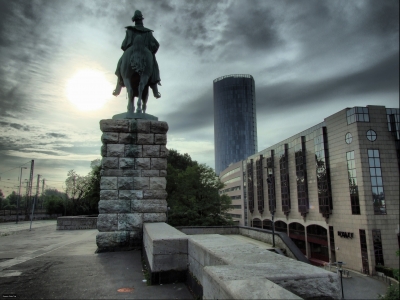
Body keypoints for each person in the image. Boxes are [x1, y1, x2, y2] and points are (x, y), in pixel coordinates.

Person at [113, 10, 161, 98]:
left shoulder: (129, 30)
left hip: (131, 51)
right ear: (141, 20)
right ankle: (155, 90)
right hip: (146, 50)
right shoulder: (148, 32)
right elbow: (156, 45)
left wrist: (129, 49)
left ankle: (118, 88)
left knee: (120, 64)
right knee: (153, 66)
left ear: (134, 20)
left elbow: (124, 45)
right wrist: (150, 52)